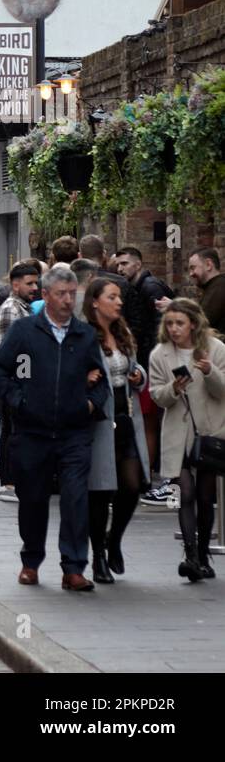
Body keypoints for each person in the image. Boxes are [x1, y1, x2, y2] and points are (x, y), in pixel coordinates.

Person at [0, 265, 109, 591]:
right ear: (45, 295)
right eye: (61, 294)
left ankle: (73, 567)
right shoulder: (25, 331)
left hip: (73, 434)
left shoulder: (84, 335)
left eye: (72, 294)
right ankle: (31, 561)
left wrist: (89, 405)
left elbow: (101, 382)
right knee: (33, 500)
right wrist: (18, 401)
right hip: (32, 433)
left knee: (74, 499)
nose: (69, 301)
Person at [148, 299, 225, 582]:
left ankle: (203, 555)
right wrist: (174, 388)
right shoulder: (160, 354)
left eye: (179, 323)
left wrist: (209, 371)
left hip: (207, 431)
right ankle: (190, 556)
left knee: (206, 498)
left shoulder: (215, 350)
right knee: (185, 494)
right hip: (177, 433)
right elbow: (157, 394)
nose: (174, 329)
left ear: (193, 322)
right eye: (169, 323)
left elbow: (223, 391)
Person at [80, 277, 149, 584]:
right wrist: (85, 381)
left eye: (119, 297)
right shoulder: (83, 336)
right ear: (95, 302)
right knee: (101, 490)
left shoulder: (122, 332)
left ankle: (114, 539)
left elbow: (135, 367)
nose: (119, 302)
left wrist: (138, 375)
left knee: (132, 486)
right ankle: (97, 560)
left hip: (126, 419)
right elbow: (70, 375)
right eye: (113, 297)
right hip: (100, 424)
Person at [115, 246, 177, 508]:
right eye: (118, 264)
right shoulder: (142, 286)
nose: (120, 269)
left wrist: (150, 361)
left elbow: (159, 326)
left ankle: (149, 473)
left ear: (138, 264)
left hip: (155, 365)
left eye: (125, 264)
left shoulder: (150, 287)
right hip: (152, 362)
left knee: (152, 420)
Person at [0, 262, 40, 502]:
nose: (34, 288)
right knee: (11, 430)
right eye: (29, 283)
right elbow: (14, 352)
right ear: (15, 284)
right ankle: (8, 483)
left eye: (36, 283)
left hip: (20, 380)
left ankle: (12, 480)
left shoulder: (24, 307)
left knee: (14, 430)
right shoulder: (12, 309)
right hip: (14, 381)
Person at [79, 234, 142, 336]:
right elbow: (135, 321)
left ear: (80, 256)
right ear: (104, 254)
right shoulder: (121, 282)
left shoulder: (74, 282)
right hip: (117, 340)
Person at [188, 247, 225, 334]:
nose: (191, 274)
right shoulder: (214, 286)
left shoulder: (219, 287)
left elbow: (200, 323)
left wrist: (176, 308)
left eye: (193, 268)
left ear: (208, 265)